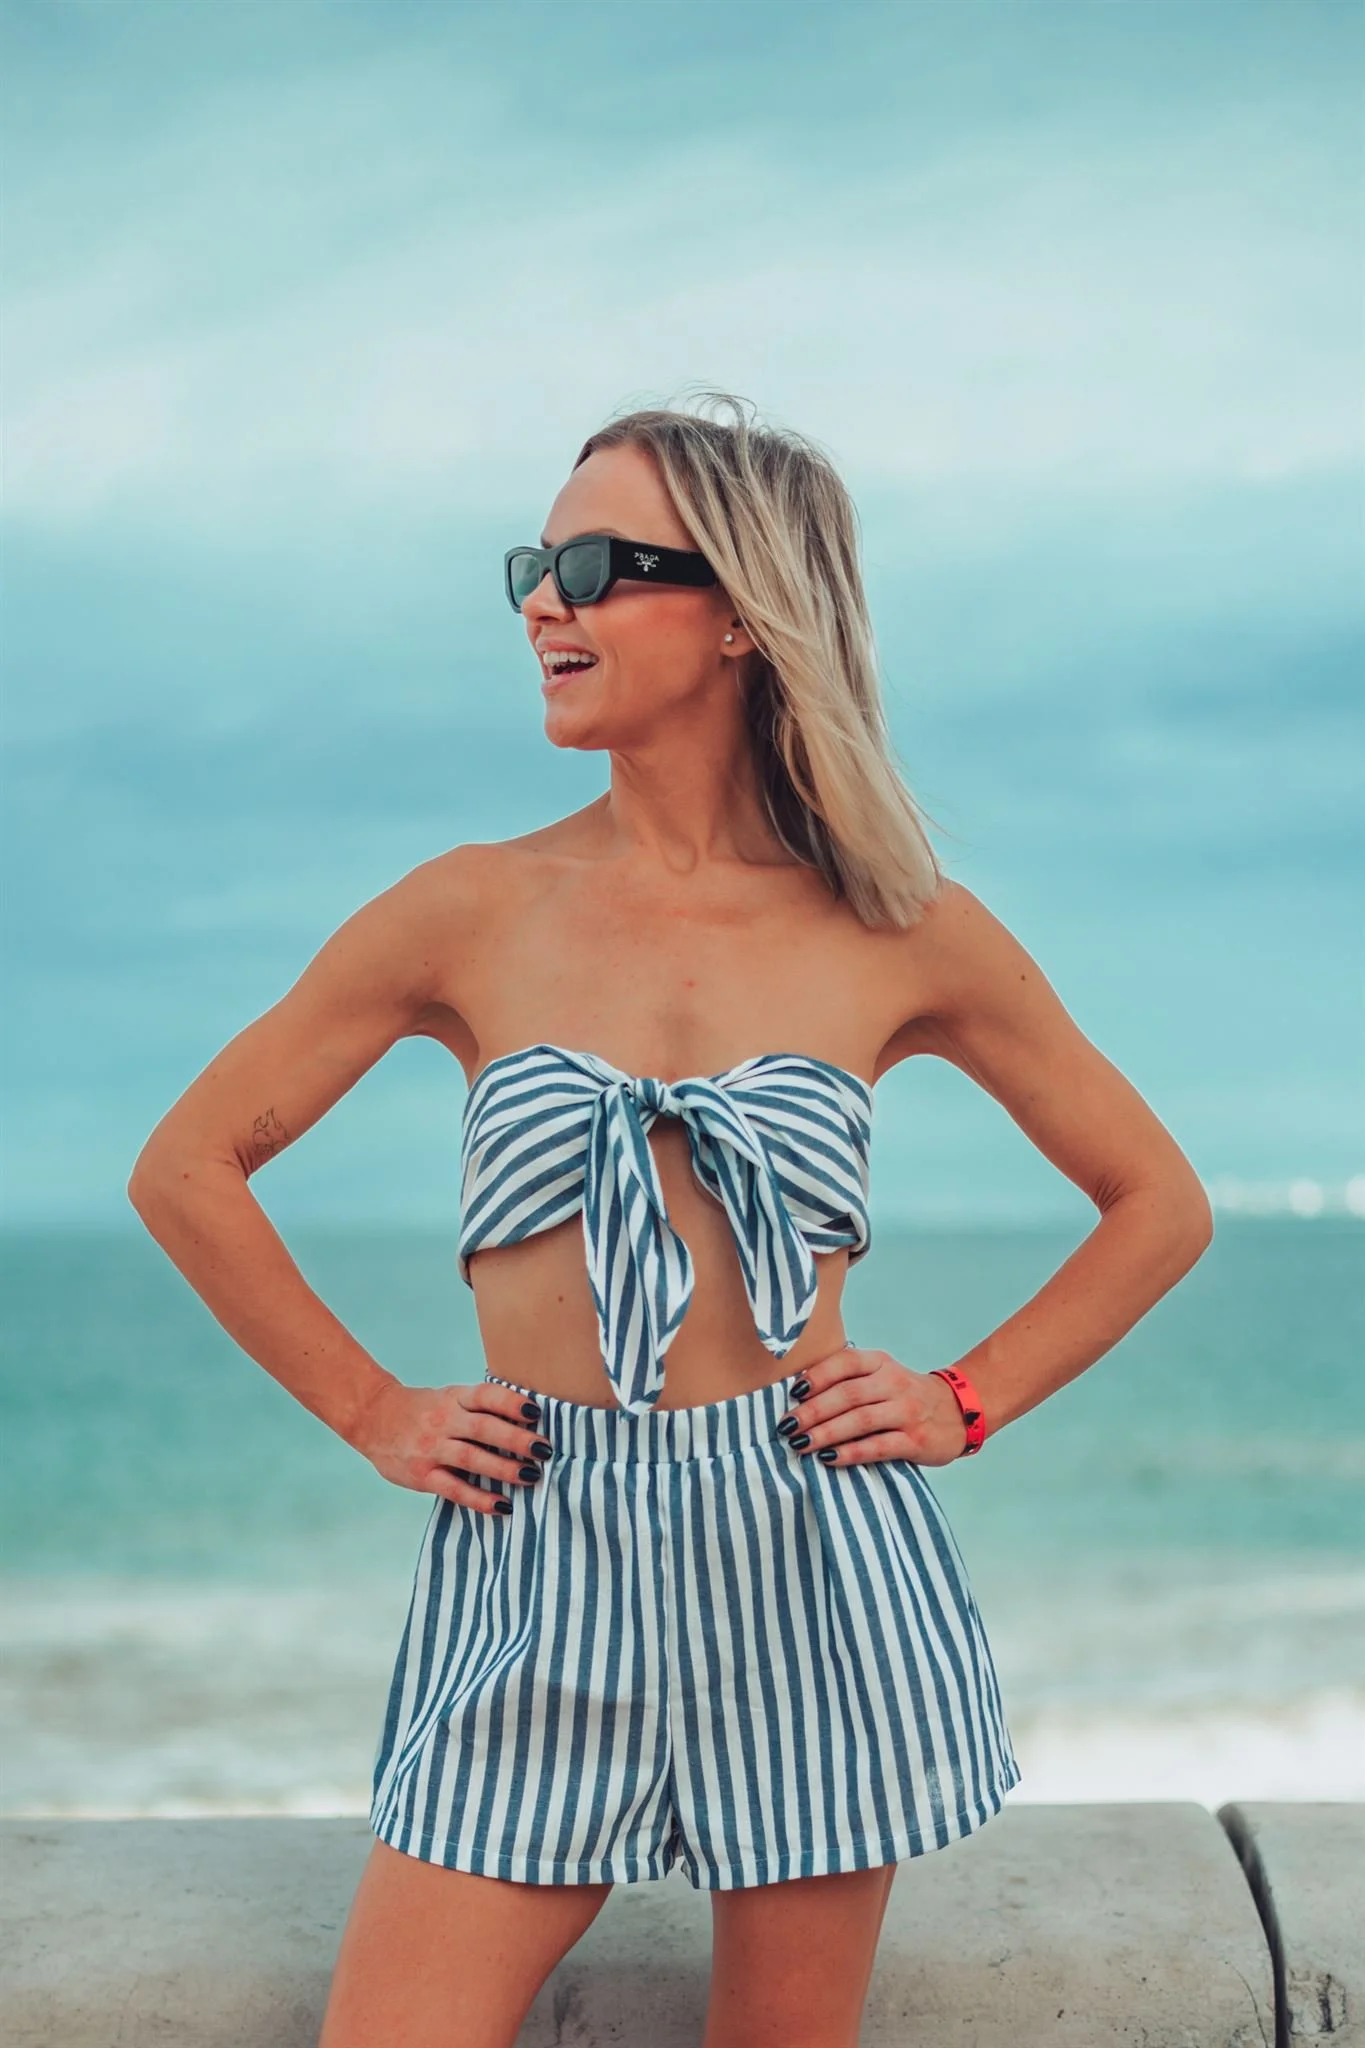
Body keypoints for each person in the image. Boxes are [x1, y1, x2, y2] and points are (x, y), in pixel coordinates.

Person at [128, 393, 1213, 2048]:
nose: (541, 605)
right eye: (534, 567)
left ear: (739, 614)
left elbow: (1159, 1204)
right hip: (539, 1540)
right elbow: (189, 1164)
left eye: (594, 567)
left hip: (811, 1554)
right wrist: (373, 1410)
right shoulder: (468, 907)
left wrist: (961, 1398)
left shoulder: (901, 927)